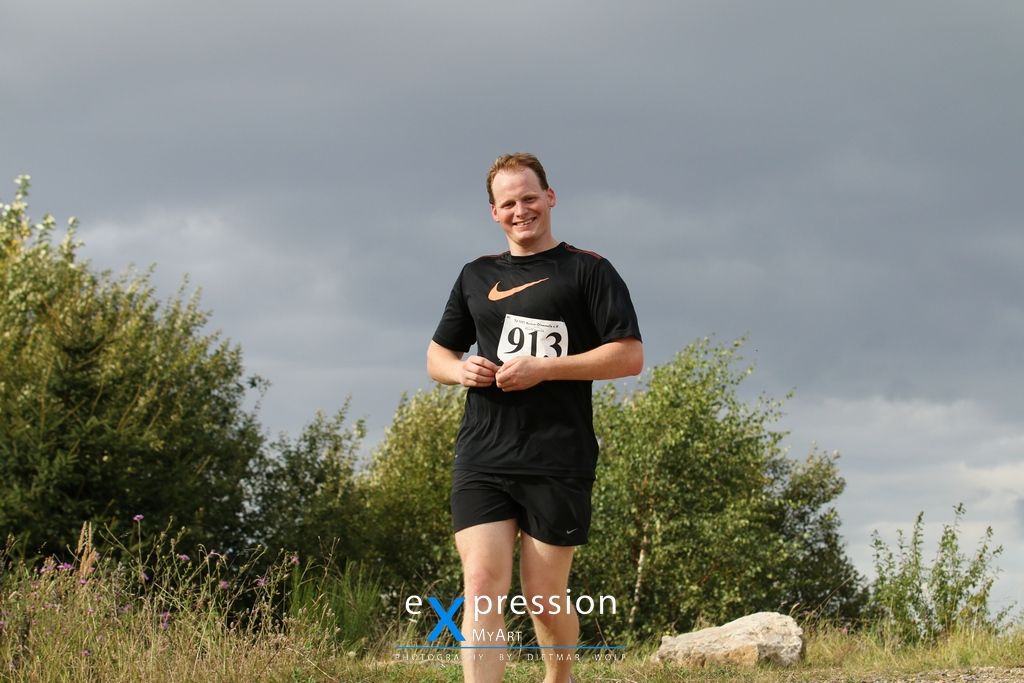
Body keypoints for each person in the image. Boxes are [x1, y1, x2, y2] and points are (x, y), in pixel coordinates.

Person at [427, 153, 643, 683]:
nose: (520, 210)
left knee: (543, 598)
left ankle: (559, 678)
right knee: (481, 586)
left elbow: (629, 356)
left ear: (550, 197)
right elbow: (437, 356)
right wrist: (461, 371)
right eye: (508, 203)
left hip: (557, 455)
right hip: (483, 454)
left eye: (529, 198)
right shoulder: (476, 275)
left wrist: (544, 368)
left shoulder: (589, 270)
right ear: (493, 212)